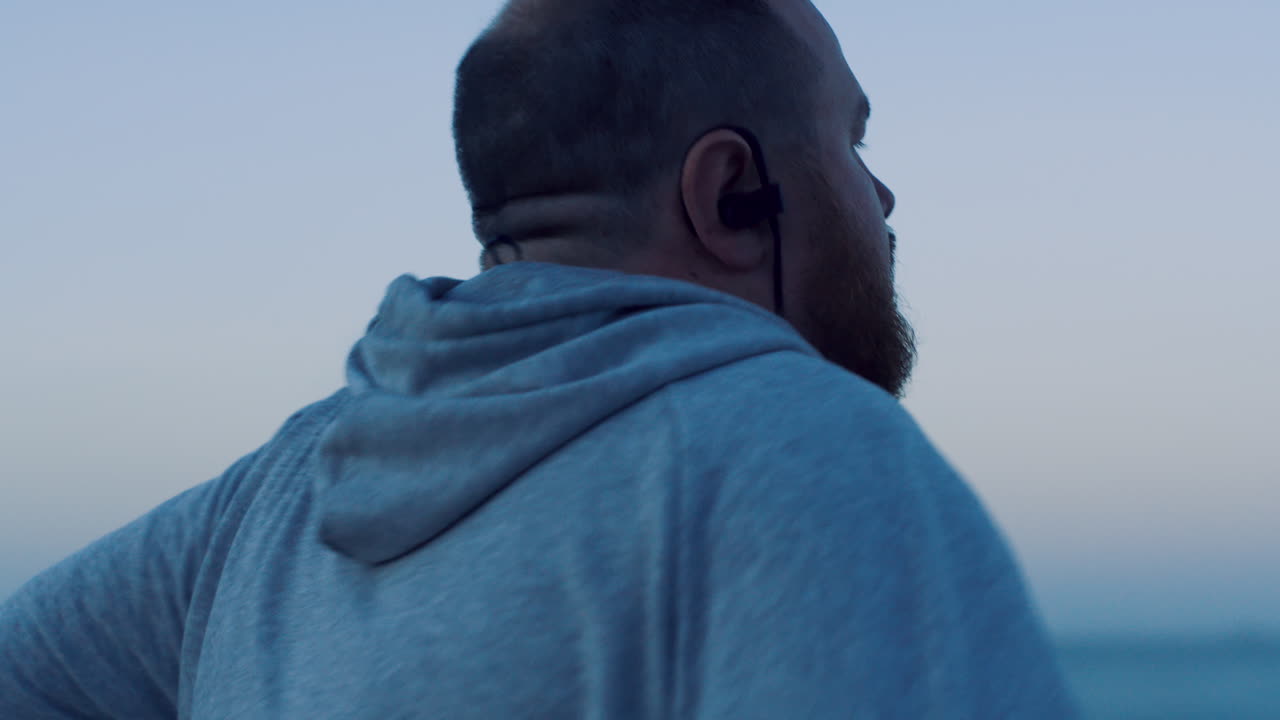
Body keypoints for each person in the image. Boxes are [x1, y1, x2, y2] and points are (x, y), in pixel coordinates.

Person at [0, 0, 1078, 717]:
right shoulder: (812, 459)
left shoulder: (278, 499)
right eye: (850, 140)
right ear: (725, 194)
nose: (880, 198)